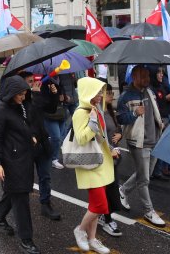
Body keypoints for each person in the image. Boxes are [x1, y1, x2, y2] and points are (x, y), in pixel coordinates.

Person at [0, 75, 44, 254]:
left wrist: (31, 136)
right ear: (11, 93)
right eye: (20, 94)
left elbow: (26, 125)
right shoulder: (2, 111)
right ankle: (26, 240)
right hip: (11, 162)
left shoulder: (21, 106)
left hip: (24, 158)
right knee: (21, 199)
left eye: (24, 93)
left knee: (13, 192)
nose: (23, 96)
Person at [116, 65, 166, 227]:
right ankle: (148, 210)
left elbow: (155, 112)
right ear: (134, 77)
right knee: (144, 179)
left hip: (155, 139)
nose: (147, 79)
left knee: (144, 174)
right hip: (138, 142)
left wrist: (160, 123)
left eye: (147, 76)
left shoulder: (149, 91)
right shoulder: (125, 96)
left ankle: (123, 190)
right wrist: (134, 113)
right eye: (143, 76)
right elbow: (121, 119)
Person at [71, 77, 116, 254]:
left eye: (100, 92)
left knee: (95, 206)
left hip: (100, 161)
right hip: (89, 162)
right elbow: (82, 138)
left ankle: (92, 239)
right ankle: (80, 230)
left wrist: (110, 149)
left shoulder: (95, 109)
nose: (100, 95)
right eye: (97, 92)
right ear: (88, 92)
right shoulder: (80, 113)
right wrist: (92, 122)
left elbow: (100, 137)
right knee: (100, 206)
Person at [20, 72, 62, 221]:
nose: (33, 84)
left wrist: (54, 95)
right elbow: (31, 114)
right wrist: (36, 94)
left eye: (33, 81)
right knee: (25, 178)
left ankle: (45, 204)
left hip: (42, 142)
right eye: (29, 82)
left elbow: (50, 109)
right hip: (27, 145)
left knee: (45, 176)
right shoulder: (19, 100)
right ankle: (18, 206)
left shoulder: (35, 96)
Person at [97, 84, 123, 237]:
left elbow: (116, 129)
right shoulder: (95, 112)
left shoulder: (110, 111)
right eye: (109, 93)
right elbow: (99, 137)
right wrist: (109, 150)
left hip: (114, 157)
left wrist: (120, 135)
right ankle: (106, 219)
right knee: (105, 189)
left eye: (112, 93)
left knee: (112, 187)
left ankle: (104, 216)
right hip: (103, 157)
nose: (112, 96)